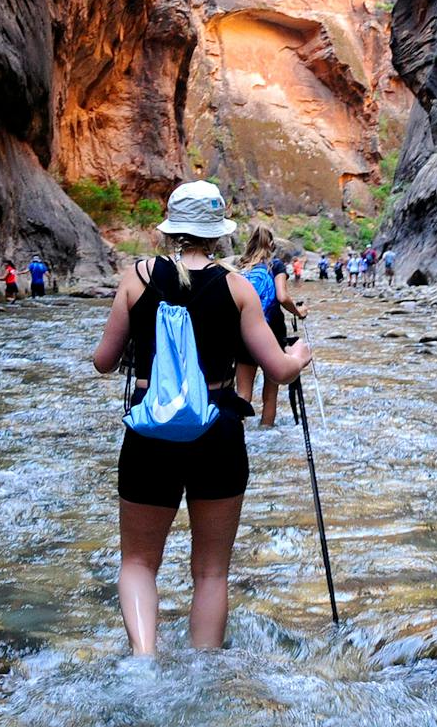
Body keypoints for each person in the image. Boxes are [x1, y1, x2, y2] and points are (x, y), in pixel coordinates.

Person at [90, 180, 310, 655]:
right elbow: (279, 369)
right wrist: (302, 353)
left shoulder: (138, 277)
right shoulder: (237, 288)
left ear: (172, 229)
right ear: (218, 234)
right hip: (218, 431)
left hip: (150, 434)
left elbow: (104, 361)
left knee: (138, 563)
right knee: (211, 571)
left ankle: (144, 661)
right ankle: (205, 668)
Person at [236, 224, 306, 429]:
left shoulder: (242, 267)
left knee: (243, 393)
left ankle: (239, 435)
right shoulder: (275, 266)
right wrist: (298, 312)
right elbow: (282, 296)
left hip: (243, 333)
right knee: (270, 394)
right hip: (271, 333)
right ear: (272, 244)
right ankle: (266, 431)